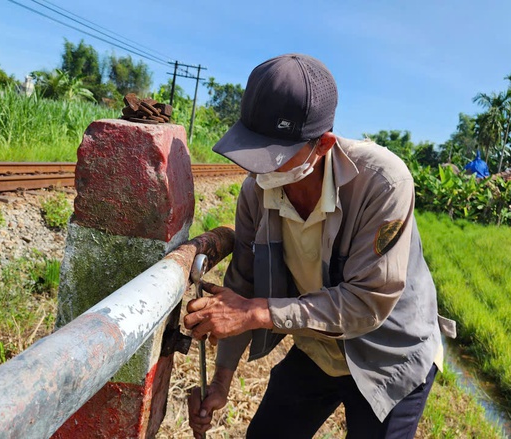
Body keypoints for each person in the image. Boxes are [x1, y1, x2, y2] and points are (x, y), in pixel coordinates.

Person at [183, 53, 456, 439]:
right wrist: (222, 380)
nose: (260, 171)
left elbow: (365, 303)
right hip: (320, 346)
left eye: (272, 157)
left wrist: (258, 312)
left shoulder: (382, 183)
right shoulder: (256, 191)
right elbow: (242, 286)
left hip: (389, 353)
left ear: (324, 145)